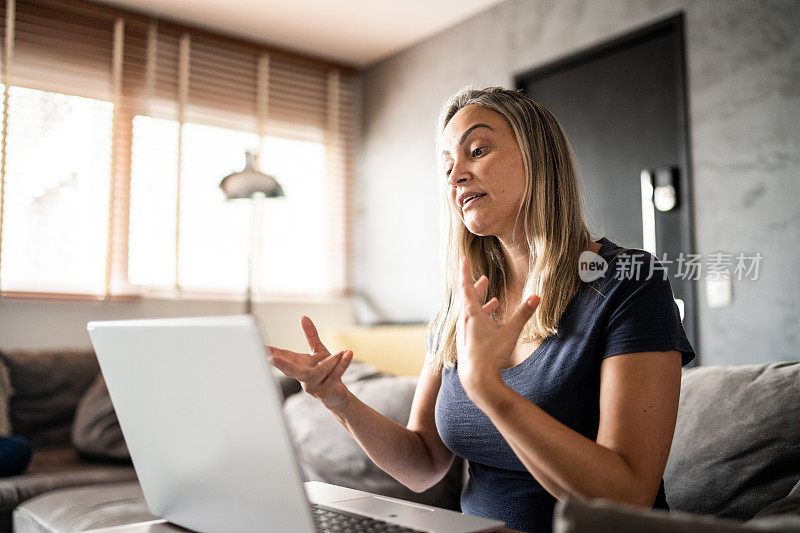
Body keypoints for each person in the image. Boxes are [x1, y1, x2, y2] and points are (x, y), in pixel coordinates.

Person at [270, 86, 695, 533]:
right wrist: (338, 400)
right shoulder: (463, 300)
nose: (456, 176)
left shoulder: (629, 281)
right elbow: (424, 465)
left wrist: (489, 390)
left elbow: (627, 497)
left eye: (477, 150)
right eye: (448, 165)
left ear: (539, 157)